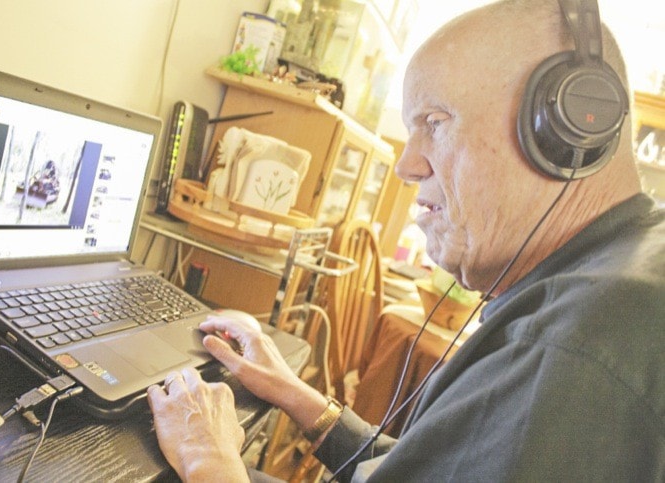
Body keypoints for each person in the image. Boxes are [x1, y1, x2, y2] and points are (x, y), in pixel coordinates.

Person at [147, 0, 665, 481]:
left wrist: (207, 458)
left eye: (435, 123)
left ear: (564, 129)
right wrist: (293, 392)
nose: (406, 164)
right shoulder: (615, 278)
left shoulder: (580, 346)